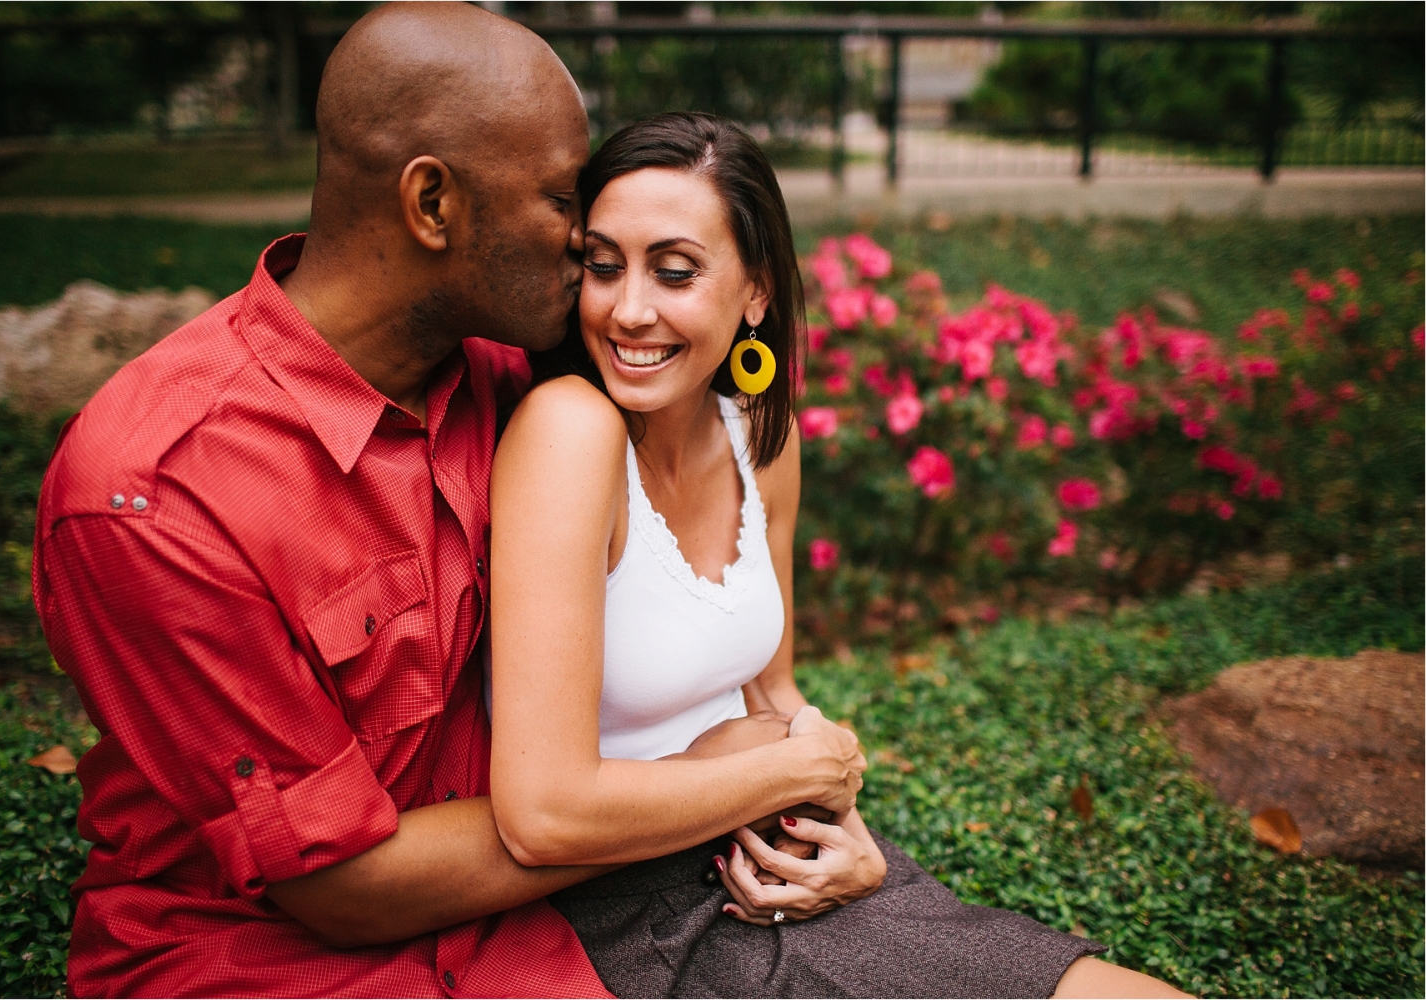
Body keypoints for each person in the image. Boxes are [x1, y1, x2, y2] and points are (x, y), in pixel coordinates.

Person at [30, 7, 851, 997]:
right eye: (563, 200)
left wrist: (760, 777)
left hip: (540, 918)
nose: (586, 241)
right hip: (269, 962)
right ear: (432, 203)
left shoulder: (504, 374)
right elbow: (341, 886)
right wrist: (720, 777)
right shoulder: (153, 496)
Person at [487, 112, 1190, 999]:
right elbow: (546, 814)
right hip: (629, 902)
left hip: (767, 838)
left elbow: (772, 689)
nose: (628, 309)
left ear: (756, 292)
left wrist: (849, 834)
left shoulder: (758, 435)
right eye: (603, 265)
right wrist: (793, 770)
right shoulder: (569, 431)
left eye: (674, 271)